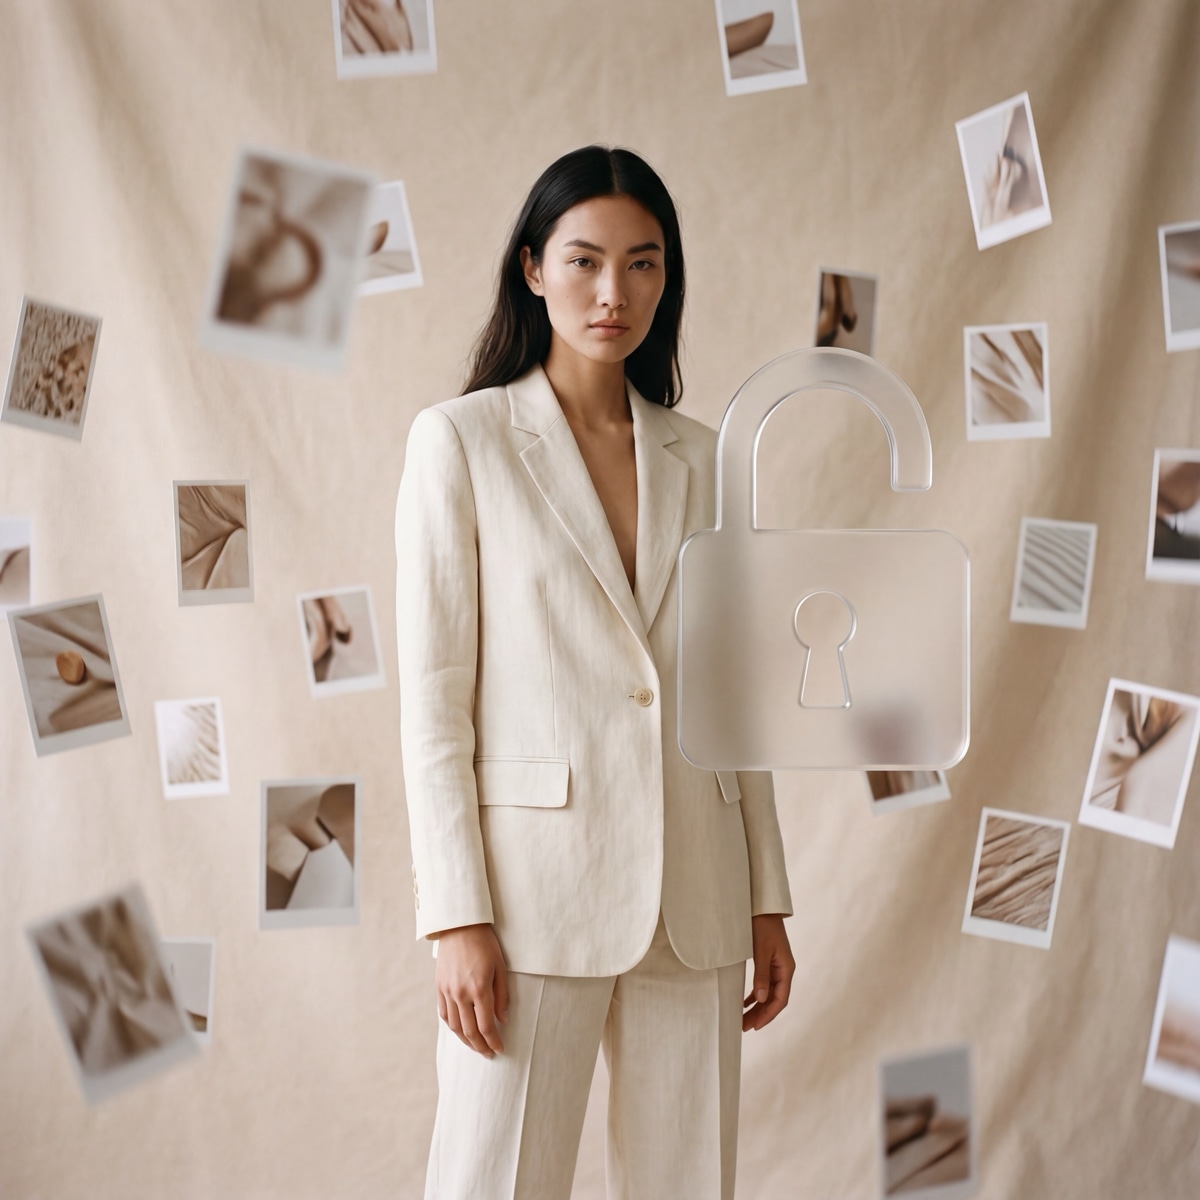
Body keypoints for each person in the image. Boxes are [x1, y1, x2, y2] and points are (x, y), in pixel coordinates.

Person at [394, 144, 794, 1200]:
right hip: (529, 900)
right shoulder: (460, 444)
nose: (614, 293)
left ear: (668, 278)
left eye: (644, 264)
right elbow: (434, 708)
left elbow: (734, 691)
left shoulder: (707, 459)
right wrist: (455, 916)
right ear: (532, 269)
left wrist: (766, 894)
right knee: (493, 1180)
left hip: (696, 890)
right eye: (584, 261)